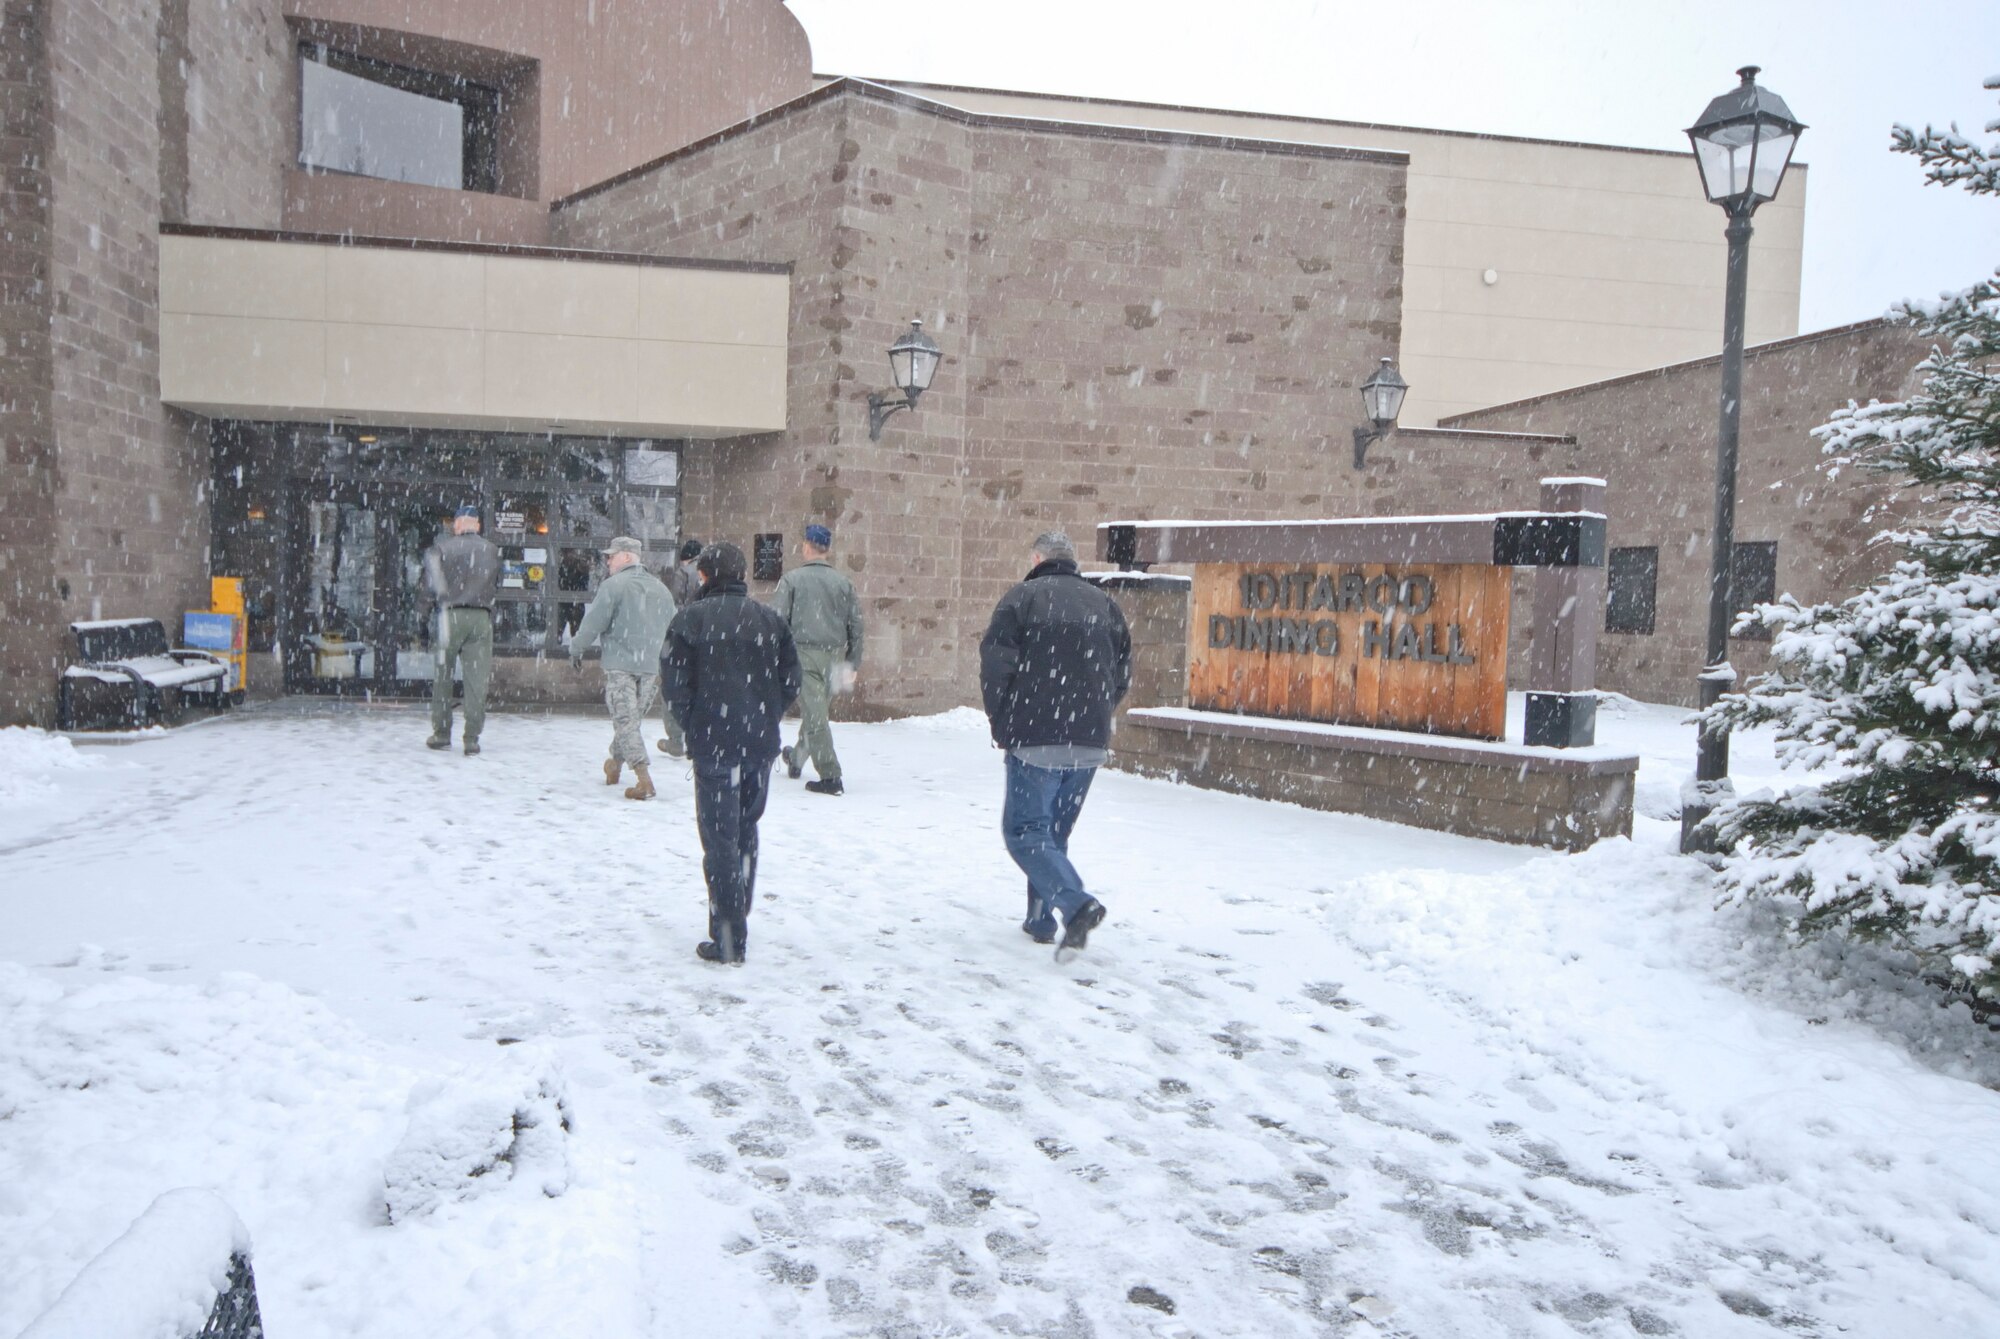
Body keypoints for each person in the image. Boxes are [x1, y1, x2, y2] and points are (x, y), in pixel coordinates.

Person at [979, 531, 1132, 959]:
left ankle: (1076, 905)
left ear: (1037, 558)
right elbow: (1122, 673)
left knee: (1025, 832)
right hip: (1088, 742)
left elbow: (995, 668)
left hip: (1036, 738)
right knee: (1052, 834)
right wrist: (1095, 716)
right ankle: (1041, 919)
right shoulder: (1105, 605)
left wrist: (1003, 722)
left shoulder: (1021, 599)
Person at [662, 542, 801, 965]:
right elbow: (790, 679)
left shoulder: (690, 620)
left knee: (720, 838)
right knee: (744, 830)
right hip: (757, 743)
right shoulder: (770, 621)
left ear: (704, 576)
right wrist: (765, 713)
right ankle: (736, 912)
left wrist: (696, 723)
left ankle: (728, 935)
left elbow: (674, 684)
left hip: (716, 744)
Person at [568, 536, 677, 800]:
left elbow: (593, 622)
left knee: (626, 721)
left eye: (611, 555)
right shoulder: (661, 589)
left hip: (620, 666)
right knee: (630, 719)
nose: (607, 560)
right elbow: (674, 629)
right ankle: (614, 764)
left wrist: (576, 648)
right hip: (651, 667)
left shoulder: (613, 586)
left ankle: (644, 780)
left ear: (627, 556)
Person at [771, 523, 864, 795]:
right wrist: (853, 662)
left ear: (806, 546)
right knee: (818, 712)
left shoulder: (791, 580)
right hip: (836, 656)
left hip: (804, 654)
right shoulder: (844, 583)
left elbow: (778, 621)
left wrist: (777, 657)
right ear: (829, 549)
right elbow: (856, 626)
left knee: (816, 717)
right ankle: (797, 758)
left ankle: (830, 775)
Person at [421, 505, 502, 755]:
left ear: (456, 525)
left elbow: (428, 587)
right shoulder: (492, 550)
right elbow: (496, 584)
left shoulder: (441, 549)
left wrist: (422, 618)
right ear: (477, 525)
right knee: (476, 680)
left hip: (449, 616)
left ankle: (442, 733)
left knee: (443, 677)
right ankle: (472, 737)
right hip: (480, 617)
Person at [656, 538, 704, 759]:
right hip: (707, 639)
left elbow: (674, 603)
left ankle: (675, 739)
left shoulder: (683, 573)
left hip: (684, 637)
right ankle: (698, 740)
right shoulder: (709, 572)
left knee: (672, 686)